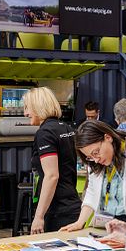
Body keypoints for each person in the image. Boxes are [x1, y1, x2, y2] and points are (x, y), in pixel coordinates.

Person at [61, 120, 126, 231]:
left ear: (108, 138)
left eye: (96, 152)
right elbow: (92, 192)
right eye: (89, 157)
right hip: (106, 224)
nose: (96, 159)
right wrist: (80, 222)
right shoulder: (95, 162)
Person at [23, 87, 81, 233]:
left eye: (27, 108)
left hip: (57, 209)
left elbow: (52, 176)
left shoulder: (44, 133)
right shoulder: (66, 128)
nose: (25, 113)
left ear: (38, 106)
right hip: (72, 204)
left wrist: (39, 216)